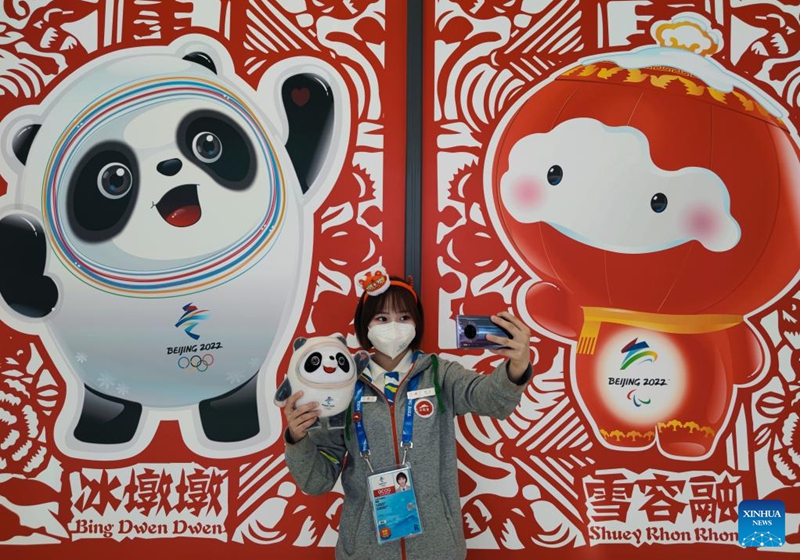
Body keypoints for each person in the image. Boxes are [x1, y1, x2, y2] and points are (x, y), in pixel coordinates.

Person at [282, 267, 533, 560]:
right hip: (365, 550)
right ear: (366, 326)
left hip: (436, 548)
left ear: (416, 323)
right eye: (382, 318)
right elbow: (317, 481)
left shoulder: (439, 374)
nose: (394, 326)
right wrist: (297, 439)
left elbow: (491, 400)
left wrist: (516, 367)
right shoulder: (343, 386)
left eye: (404, 317)